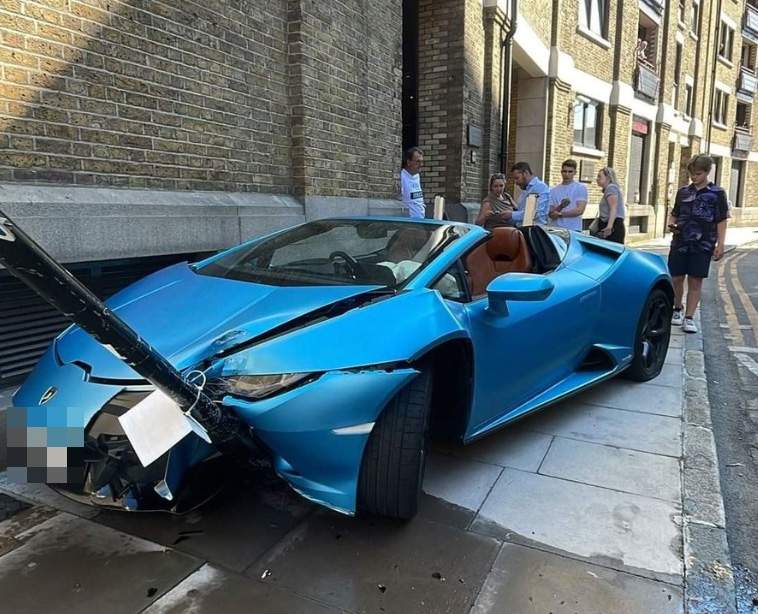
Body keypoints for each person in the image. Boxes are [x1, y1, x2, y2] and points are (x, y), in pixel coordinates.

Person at [668, 154, 728, 334]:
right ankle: (677, 309)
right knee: (676, 277)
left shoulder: (717, 194)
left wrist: (720, 244)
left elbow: (721, 220)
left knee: (695, 280)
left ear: (708, 172)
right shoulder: (683, 192)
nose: (694, 177)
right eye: (692, 174)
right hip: (680, 242)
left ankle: (689, 317)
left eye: (698, 174)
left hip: (703, 244)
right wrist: (671, 224)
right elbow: (675, 213)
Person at [498, 161, 551, 226]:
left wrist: (511, 214)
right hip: (523, 230)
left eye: (517, 178)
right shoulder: (525, 192)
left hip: (534, 231)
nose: (516, 182)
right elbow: (521, 218)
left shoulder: (540, 187)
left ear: (526, 173)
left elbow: (536, 213)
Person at [548, 159, 588, 230]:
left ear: (575, 172)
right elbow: (551, 214)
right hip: (556, 229)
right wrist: (561, 206)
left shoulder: (580, 188)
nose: (567, 174)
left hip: (573, 229)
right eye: (564, 171)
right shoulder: (553, 190)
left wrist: (560, 214)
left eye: (570, 172)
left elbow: (580, 210)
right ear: (561, 172)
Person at [595, 166, 626, 243]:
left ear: (608, 177)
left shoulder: (611, 188)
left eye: (599, 176)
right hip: (608, 224)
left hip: (612, 225)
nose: (597, 179)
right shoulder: (609, 189)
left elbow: (613, 208)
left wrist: (609, 227)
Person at [400, 147, 425, 218]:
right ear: (408, 162)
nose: (421, 164)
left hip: (420, 220)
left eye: (422, 162)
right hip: (408, 223)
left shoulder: (417, 176)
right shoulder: (402, 176)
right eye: (417, 161)